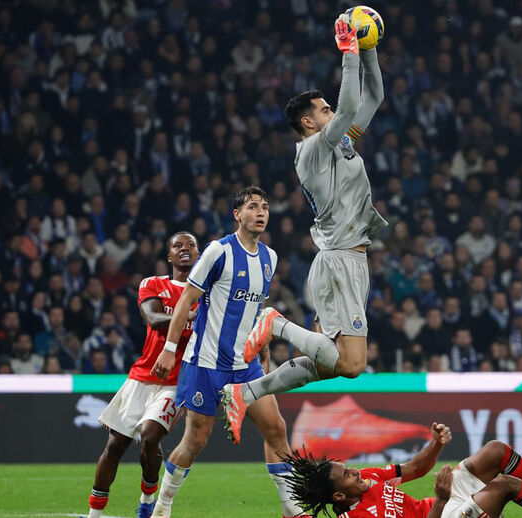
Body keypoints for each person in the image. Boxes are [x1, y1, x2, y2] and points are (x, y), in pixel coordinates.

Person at [219, 14, 387, 443]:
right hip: (339, 260)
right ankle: (274, 323)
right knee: (352, 365)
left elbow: (374, 97)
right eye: (324, 110)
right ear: (308, 123)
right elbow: (349, 107)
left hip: (349, 258)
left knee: (329, 364)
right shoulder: (312, 150)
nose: (333, 112)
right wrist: (349, 53)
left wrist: (368, 51)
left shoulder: (339, 142)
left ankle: (247, 392)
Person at [148, 187, 302, 518]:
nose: (261, 212)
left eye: (265, 207)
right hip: (206, 363)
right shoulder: (218, 251)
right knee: (196, 440)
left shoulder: (270, 258)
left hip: (245, 365)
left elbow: (256, 308)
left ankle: (291, 508)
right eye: (253, 206)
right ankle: (162, 506)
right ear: (237, 215)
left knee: (276, 429)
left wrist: (261, 346)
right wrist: (169, 349)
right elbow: (186, 300)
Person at [283, 422, 522, 518]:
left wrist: (436, 444)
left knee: (496, 451)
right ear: (339, 496)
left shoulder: (368, 477)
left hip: (443, 504)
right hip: (443, 513)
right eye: (347, 475)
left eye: (349, 468)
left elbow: (415, 468)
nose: (357, 472)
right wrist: (441, 500)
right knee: (505, 485)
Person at [86, 232, 199, 518]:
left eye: (190, 245)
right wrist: (187, 316)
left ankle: (148, 498)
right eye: (177, 246)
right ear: (169, 256)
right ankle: (94, 514)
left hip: (176, 382)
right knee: (115, 445)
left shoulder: (207, 295)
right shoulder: (153, 284)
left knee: (149, 436)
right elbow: (153, 318)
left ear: (199, 255)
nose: (184, 249)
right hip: (142, 376)